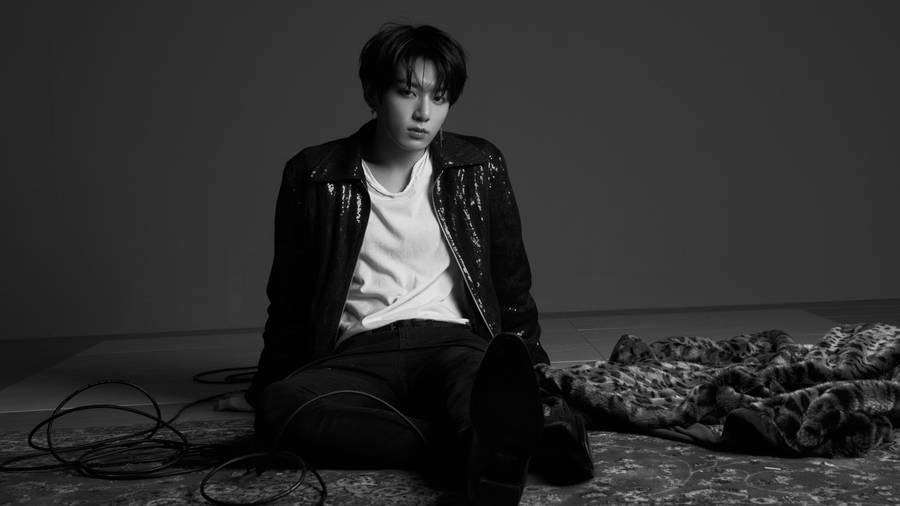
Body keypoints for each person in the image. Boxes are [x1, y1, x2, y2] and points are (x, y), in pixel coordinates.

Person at [221, 23, 592, 504]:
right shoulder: (313, 175)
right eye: (407, 92)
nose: (424, 113)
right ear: (372, 93)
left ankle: (481, 440)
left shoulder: (478, 166)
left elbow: (511, 283)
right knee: (279, 411)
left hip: (453, 343)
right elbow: (289, 298)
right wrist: (264, 387)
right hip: (358, 354)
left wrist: (533, 378)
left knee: (485, 394)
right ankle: (476, 448)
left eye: (439, 98)